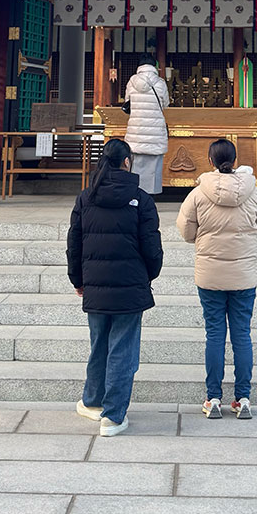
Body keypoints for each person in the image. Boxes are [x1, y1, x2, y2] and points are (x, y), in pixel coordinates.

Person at [66, 137, 163, 436]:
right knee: (122, 350)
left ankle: (93, 401)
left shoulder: (85, 198)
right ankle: (114, 415)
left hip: (95, 285)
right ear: (126, 162)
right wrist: (148, 276)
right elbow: (152, 247)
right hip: (130, 285)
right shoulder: (141, 199)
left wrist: (78, 280)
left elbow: (74, 244)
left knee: (100, 345)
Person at [176, 137, 257, 420]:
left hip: (210, 276)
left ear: (210, 162)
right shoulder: (254, 193)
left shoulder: (198, 193)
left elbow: (185, 231)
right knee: (242, 334)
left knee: (215, 334)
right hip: (244, 276)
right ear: (236, 161)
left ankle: (213, 397)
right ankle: (243, 398)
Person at [123, 53, 169, 196]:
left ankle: (134, 194)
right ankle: (150, 198)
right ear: (154, 66)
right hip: (155, 133)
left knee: (135, 167)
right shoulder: (160, 83)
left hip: (136, 132)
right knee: (153, 169)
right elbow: (165, 104)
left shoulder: (132, 82)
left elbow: (127, 101)